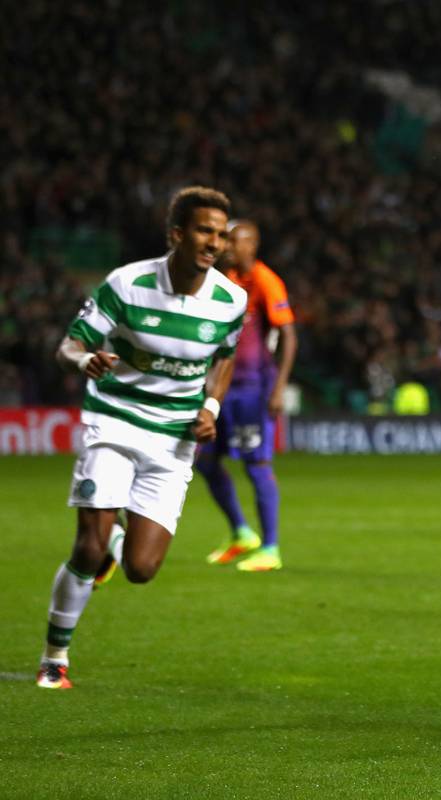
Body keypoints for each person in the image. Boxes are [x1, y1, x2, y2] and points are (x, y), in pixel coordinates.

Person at [37, 186, 246, 689]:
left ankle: (116, 537)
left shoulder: (230, 301)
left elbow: (225, 355)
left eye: (221, 234)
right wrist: (84, 360)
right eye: (204, 231)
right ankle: (55, 657)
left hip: (173, 441)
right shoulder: (127, 284)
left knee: (142, 568)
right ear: (177, 234)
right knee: (87, 549)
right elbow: (69, 345)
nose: (215, 243)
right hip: (114, 422)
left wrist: (211, 407)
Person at [197, 220, 296, 572]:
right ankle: (241, 532)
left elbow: (289, 336)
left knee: (256, 465)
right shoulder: (224, 281)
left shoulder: (266, 281)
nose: (226, 245)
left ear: (251, 245)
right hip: (223, 387)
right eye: (225, 239)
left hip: (254, 390)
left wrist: (279, 387)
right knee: (205, 461)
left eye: (233, 240)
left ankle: (271, 548)